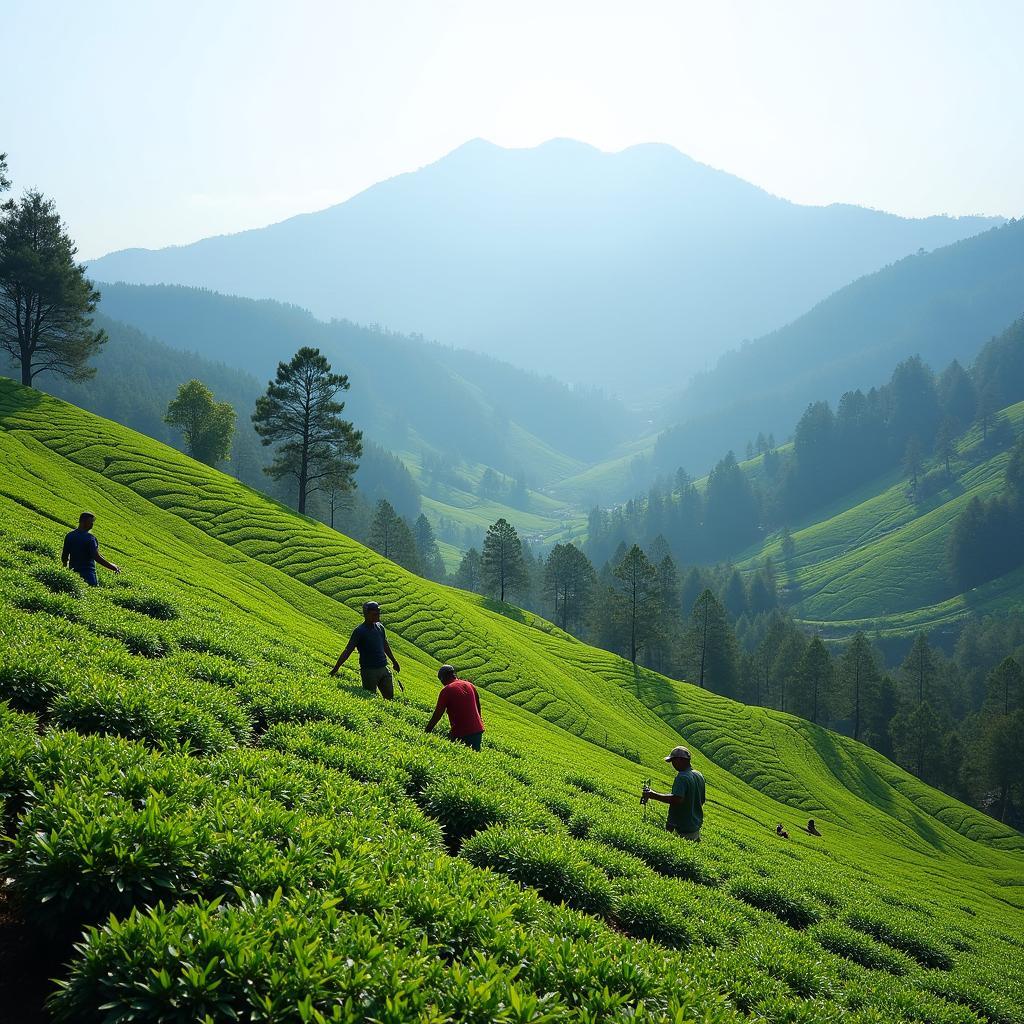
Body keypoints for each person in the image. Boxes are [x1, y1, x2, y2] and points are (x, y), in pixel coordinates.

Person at [329, 601, 401, 699]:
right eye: (374, 614)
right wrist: (336, 668)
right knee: (370, 698)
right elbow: (348, 650)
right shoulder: (359, 631)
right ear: (366, 614)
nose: (378, 616)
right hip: (369, 671)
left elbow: (385, 645)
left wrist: (394, 661)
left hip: (384, 668)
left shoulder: (380, 627)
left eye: (378, 613)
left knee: (389, 698)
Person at [641, 745, 706, 841]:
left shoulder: (682, 777)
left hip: (682, 828)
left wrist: (652, 794)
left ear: (681, 760)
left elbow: (677, 799)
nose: (672, 764)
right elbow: (702, 800)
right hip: (694, 826)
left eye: (673, 761)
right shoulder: (698, 774)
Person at [425, 665, 485, 750]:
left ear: (443, 678)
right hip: (478, 729)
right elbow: (478, 705)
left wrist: (427, 730)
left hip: (463, 731)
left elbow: (438, 714)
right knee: (474, 756)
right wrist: (479, 721)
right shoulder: (470, 685)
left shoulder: (446, 690)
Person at [61, 512, 120, 586]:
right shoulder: (90, 538)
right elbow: (97, 557)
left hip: (73, 574)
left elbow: (64, 555)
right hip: (89, 576)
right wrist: (113, 567)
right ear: (83, 522)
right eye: (90, 522)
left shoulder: (69, 536)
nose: (92, 525)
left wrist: (65, 569)